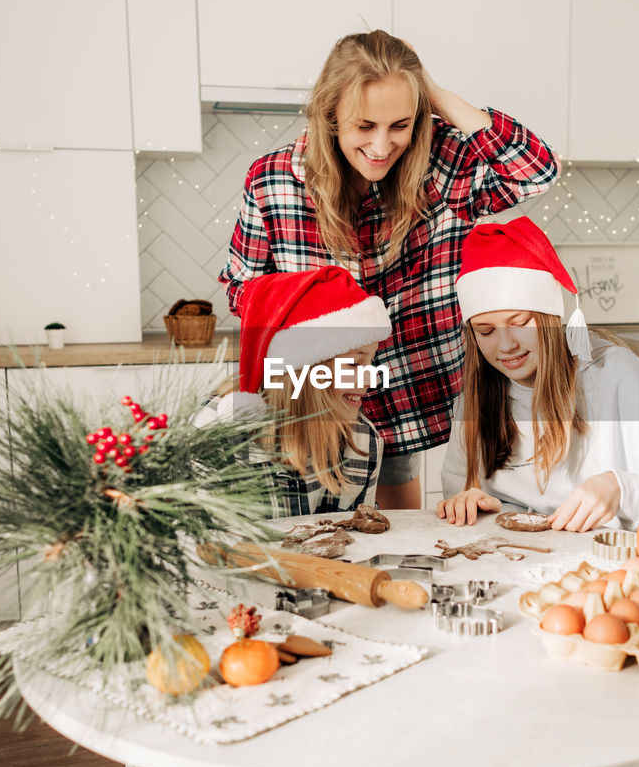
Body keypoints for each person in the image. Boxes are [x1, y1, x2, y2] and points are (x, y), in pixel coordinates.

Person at [219, 30, 560, 510]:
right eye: (364, 125)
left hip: (410, 385)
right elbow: (243, 290)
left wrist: (435, 96)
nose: (382, 145)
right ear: (329, 114)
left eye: (399, 124)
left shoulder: (442, 162)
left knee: (396, 536)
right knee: (307, 528)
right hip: (315, 403)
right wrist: (316, 321)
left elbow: (537, 170)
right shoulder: (274, 179)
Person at [436, 217, 639, 547]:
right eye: (485, 331)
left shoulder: (618, 379)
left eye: (520, 322)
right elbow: (466, 510)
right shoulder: (476, 396)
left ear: (549, 317)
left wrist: (622, 490)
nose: (505, 345)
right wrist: (479, 508)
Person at [198, 266, 391, 517]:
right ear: (301, 368)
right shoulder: (219, 430)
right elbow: (194, 543)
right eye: (355, 363)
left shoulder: (363, 441)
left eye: (371, 362)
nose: (371, 378)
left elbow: (357, 540)